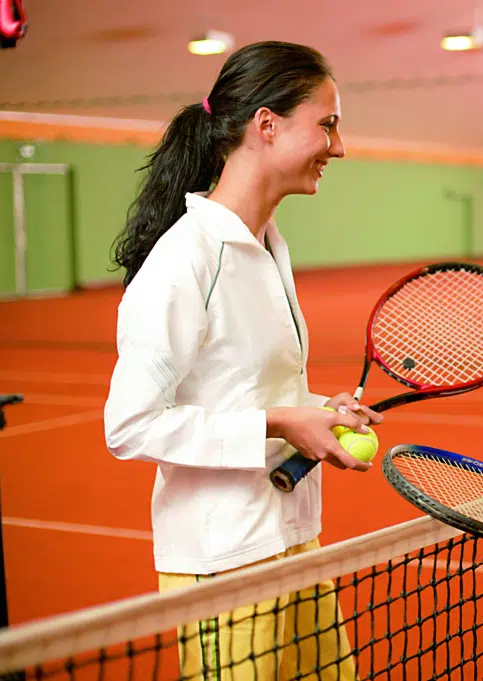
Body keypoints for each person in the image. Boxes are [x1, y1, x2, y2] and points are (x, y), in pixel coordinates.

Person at [104, 40, 382, 681]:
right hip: (221, 559)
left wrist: (316, 409)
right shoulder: (184, 260)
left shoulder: (267, 245)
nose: (338, 147)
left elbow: (245, 388)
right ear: (266, 125)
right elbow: (129, 425)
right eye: (328, 123)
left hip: (292, 541)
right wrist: (282, 424)